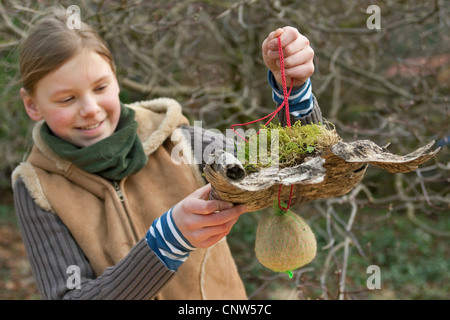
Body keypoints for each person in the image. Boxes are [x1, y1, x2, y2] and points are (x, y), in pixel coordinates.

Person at [11, 7, 320, 300]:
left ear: (116, 78)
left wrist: (294, 92)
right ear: (32, 105)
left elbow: (300, 176)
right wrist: (166, 241)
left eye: (101, 87)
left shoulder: (181, 141)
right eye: (67, 98)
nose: (90, 109)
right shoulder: (37, 187)